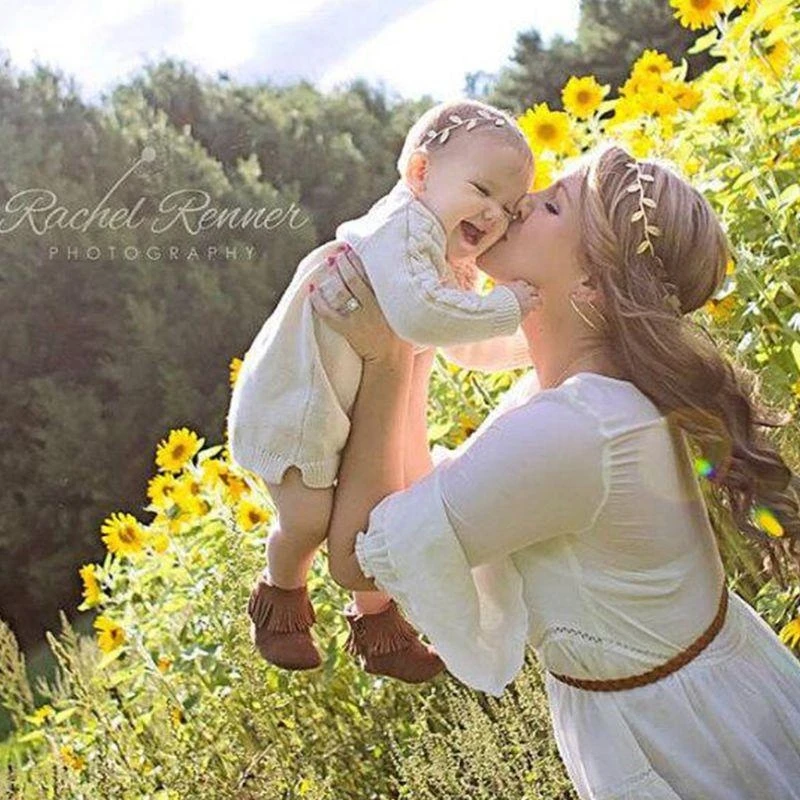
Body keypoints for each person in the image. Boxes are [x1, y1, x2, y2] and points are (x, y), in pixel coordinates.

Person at [309, 143, 800, 799]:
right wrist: (410, 336)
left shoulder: (576, 431)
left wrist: (386, 357)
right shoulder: (574, 399)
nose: (523, 202)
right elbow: (424, 501)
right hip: (692, 704)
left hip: (687, 741)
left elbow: (357, 558)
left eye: (552, 204)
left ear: (591, 287)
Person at [226, 98, 539, 681]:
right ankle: (280, 600)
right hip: (293, 409)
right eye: (483, 190)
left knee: (380, 513)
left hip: (342, 405)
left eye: (510, 206)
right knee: (309, 520)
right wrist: (505, 308)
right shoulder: (401, 231)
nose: (495, 214)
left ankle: (380, 634)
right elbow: (423, 317)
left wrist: (532, 343)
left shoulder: (440, 252)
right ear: (421, 174)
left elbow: (462, 343)